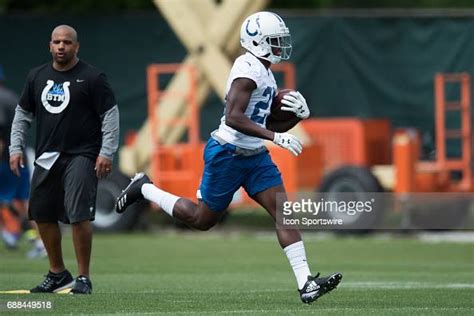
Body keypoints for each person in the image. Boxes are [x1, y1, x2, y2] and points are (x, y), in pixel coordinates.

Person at [115, 12, 342, 303]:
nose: (279, 47)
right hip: (228, 154)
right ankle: (144, 187)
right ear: (257, 42)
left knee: (285, 214)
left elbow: (266, 124)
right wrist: (276, 138)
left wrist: (297, 118)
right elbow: (234, 118)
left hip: (255, 156)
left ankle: (306, 284)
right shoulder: (247, 69)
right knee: (202, 219)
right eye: (274, 41)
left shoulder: (265, 71)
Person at [9, 25, 119, 294]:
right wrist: (15, 148)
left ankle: (83, 277)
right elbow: (22, 115)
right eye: (56, 42)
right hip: (47, 156)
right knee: (41, 213)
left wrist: (106, 152)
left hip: (81, 154)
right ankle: (58, 273)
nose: (61, 46)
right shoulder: (36, 77)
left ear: (76, 47)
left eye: (67, 42)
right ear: (49, 46)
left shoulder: (92, 77)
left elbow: (110, 115)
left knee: (79, 213)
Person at [0, 65, 45, 258]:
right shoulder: (10, 96)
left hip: (6, 160)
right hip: (21, 158)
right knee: (24, 202)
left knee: (9, 201)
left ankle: (11, 233)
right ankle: (39, 241)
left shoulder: (1, 99)